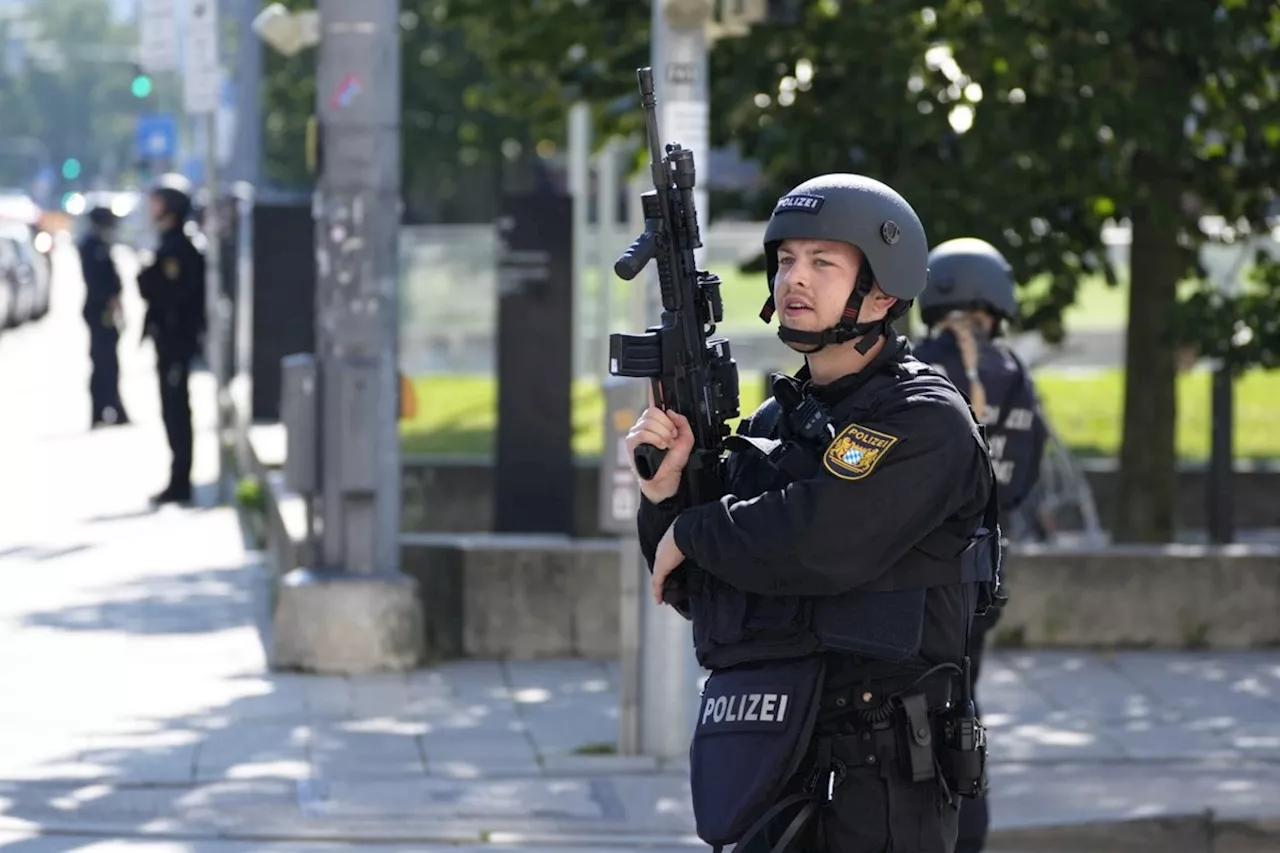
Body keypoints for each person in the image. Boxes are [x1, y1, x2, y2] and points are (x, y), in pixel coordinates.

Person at [627, 174, 1003, 853]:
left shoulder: (924, 419)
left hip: (881, 784)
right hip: (773, 759)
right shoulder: (780, 420)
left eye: (822, 262)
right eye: (786, 259)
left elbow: (821, 539)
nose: (794, 279)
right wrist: (666, 496)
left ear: (883, 289)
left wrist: (694, 529)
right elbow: (694, 586)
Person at [912, 236, 1050, 853]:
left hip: (912, 582)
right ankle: (967, 834)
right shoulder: (1015, 375)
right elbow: (1022, 482)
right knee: (960, 708)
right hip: (983, 582)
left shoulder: (911, 366)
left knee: (896, 720)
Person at [137, 174, 206, 505]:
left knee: (177, 411)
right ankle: (177, 479)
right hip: (168, 340)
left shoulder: (179, 247)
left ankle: (181, 483)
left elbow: (166, 291)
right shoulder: (169, 242)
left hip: (176, 341)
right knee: (170, 410)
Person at [78, 206, 130, 428]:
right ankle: (104, 408)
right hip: (100, 312)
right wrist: (113, 303)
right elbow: (101, 283)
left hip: (104, 311)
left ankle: (110, 407)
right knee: (103, 361)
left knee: (109, 361)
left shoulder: (99, 245)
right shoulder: (92, 246)